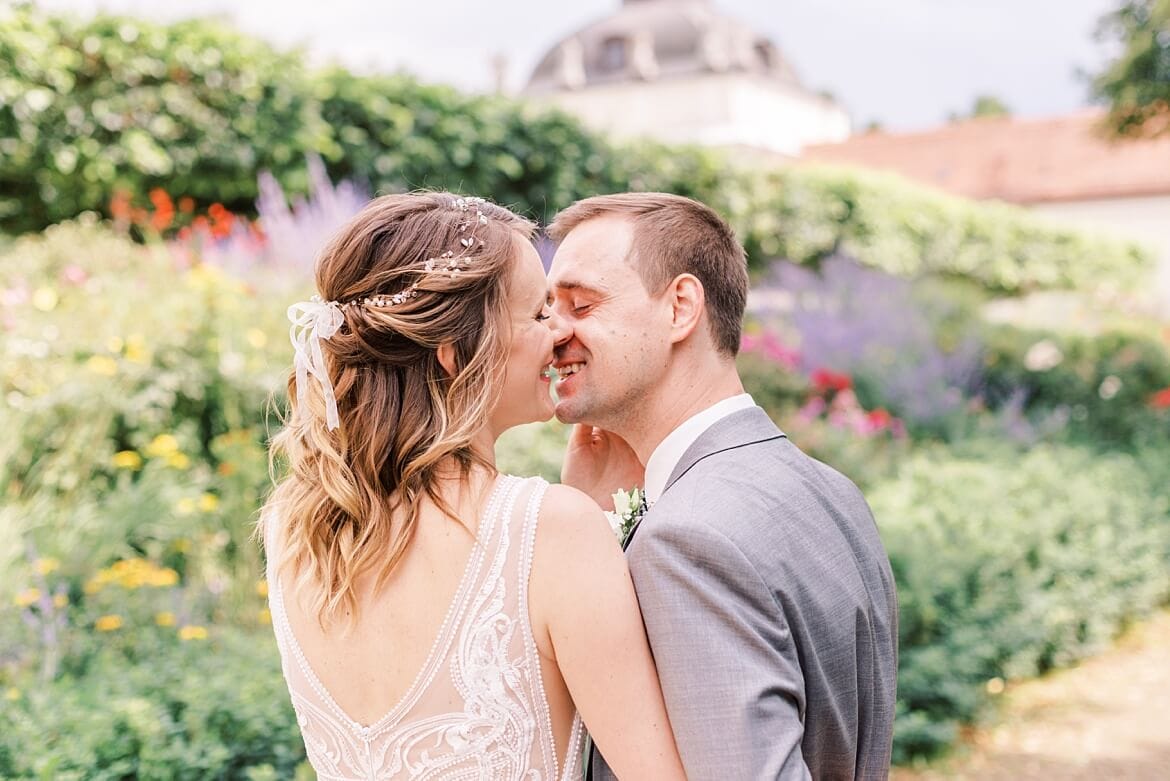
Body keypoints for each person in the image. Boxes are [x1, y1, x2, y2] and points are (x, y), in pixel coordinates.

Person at [259, 192, 686, 780]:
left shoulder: (294, 529)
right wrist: (585, 520)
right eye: (538, 314)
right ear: (454, 354)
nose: (561, 332)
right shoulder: (552, 530)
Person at [547, 192, 899, 780]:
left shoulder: (688, 540)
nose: (552, 333)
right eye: (546, 309)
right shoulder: (833, 490)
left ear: (681, 307)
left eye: (580, 305)